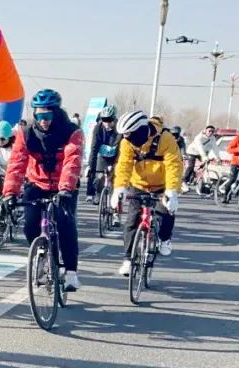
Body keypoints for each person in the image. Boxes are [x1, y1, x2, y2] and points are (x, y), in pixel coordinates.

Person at [1, 89, 83, 291]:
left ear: (56, 113)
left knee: (65, 224)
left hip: (63, 187)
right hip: (36, 183)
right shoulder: (26, 133)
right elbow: (17, 163)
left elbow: (72, 162)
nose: (43, 120)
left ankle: (71, 272)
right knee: (30, 225)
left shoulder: (72, 132)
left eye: (47, 115)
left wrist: (66, 189)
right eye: (38, 116)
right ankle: (40, 254)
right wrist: (10, 192)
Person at [110, 111, 183, 276]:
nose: (128, 139)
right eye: (125, 136)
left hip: (162, 185)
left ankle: (165, 238)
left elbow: (174, 165)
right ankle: (128, 260)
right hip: (139, 184)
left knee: (165, 212)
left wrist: (172, 191)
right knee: (131, 221)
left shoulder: (165, 138)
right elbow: (124, 165)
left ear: (141, 130)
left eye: (130, 135)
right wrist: (119, 188)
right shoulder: (126, 142)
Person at [85, 105, 119, 203]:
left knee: (116, 177)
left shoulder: (119, 128)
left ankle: (115, 200)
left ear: (114, 119)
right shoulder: (98, 128)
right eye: (104, 120)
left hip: (116, 155)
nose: (107, 123)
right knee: (99, 176)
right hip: (102, 156)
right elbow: (94, 148)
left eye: (109, 120)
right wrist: (91, 166)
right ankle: (98, 193)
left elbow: (121, 146)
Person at [183, 125, 219, 190]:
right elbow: (200, 148)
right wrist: (204, 157)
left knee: (206, 164)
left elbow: (215, 148)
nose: (211, 132)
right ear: (205, 131)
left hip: (201, 153)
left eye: (212, 131)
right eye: (209, 131)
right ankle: (185, 181)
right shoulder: (199, 137)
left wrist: (218, 157)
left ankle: (200, 178)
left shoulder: (212, 138)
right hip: (192, 152)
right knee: (191, 166)